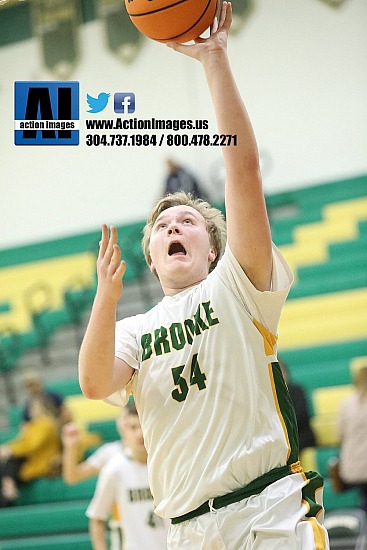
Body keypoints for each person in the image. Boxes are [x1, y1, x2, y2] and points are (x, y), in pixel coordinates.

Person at [78, 3, 329, 548]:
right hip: (188, 531)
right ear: (151, 256)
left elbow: (242, 168)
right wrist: (105, 297)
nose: (174, 226)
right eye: (163, 225)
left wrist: (213, 57)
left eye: (187, 221)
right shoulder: (136, 330)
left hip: (269, 512)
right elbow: (95, 383)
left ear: (212, 249)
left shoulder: (238, 286)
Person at [86, 400, 168, 550]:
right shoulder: (114, 469)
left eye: (143, 426)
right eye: (133, 427)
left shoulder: (167, 465)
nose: (140, 433)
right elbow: (97, 519)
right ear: (124, 430)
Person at [0, 397, 62, 507]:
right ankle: (8, 489)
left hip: (42, 463)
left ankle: (9, 489)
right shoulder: (33, 425)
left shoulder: (46, 424)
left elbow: (32, 445)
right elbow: (22, 442)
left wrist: (9, 450)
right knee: (8, 464)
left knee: (11, 460)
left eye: (32, 408)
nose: (30, 411)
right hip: (28, 461)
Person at [332, 365, 367, 513]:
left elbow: (339, 433)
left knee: (363, 499)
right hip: (358, 464)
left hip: (353, 465)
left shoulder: (346, 403)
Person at [62, 412, 125, 484]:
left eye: (139, 426)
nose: (138, 433)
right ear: (120, 426)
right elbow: (72, 477)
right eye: (133, 427)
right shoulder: (110, 451)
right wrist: (71, 447)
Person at [279, 359, 316, 452]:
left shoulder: (297, 390)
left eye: (281, 372)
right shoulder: (270, 396)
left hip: (301, 434)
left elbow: (301, 415)